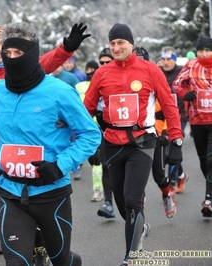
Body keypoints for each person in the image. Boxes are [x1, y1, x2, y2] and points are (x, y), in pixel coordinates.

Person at [0, 21, 100, 266]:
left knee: (61, 260)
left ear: (32, 55)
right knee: (17, 262)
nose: (12, 58)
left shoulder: (59, 92)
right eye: (7, 53)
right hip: (9, 191)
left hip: (51, 193)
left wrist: (60, 165)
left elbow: (91, 135)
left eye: (19, 53)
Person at [84, 23, 183, 266]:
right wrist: (84, 140)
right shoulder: (102, 73)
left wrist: (176, 140)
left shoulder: (150, 70)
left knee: (132, 200)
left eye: (121, 43)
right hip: (112, 142)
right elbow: (85, 108)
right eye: (112, 44)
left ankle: (132, 256)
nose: (116, 48)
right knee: (122, 205)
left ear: (131, 44)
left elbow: (169, 106)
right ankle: (141, 226)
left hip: (142, 141)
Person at [134, 46, 177, 219]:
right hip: (135, 135)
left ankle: (167, 195)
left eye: (141, 59)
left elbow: (168, 108)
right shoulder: (125, 80)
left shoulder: (155, 76)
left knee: (159, 174)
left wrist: (167, 132)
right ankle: (139, 217)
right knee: (137, 179)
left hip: (158, 134)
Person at [173, 36, 212, 217]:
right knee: (204, 160)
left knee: (211, 160)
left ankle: (208, 198)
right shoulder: (192, 65)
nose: (204, 54)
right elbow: (177, 84)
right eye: (201, 50)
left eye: (207, 50)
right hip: (197, 120)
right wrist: (185, 94)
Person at [159, 46, 189, 193]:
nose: (165, 62)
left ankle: (171, 182)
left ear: (175, 60)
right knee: (166, 149)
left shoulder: (182, 72)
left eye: (169, 59)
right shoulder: (158, 73)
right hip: (163, 116)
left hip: (180, 115)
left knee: (173, 144)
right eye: (163, 59)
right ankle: (181, 175)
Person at [75, 59, 104, 202]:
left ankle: (98, 190)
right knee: (93, 161)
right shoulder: (78, 86)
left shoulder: (101, 84)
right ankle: (103, 182)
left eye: (93, 69)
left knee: (99, 160)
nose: (89, 72)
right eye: (88, 69)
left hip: (100, 127)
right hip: (84, 128)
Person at [94, 47, 115, 218]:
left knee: (124, 171)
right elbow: (86, 107)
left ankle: (135, 204)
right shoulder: (96, 79)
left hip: (126, 134)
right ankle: (108, 203)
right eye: (102, 62)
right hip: (103, 132)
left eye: (109, 62)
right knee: (106, 168)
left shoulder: (122, 78)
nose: (105, 65)